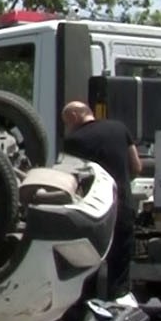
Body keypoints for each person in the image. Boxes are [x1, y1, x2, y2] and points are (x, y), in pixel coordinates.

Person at [60, 100, 142, 303]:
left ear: (73, 117)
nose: (67, 128)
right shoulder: (119, 128)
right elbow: (137, 167)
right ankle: (120, 311)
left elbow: (70, 181)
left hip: (95, 214)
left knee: (88, 272)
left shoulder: (74, 141)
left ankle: (87, 319)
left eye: (66, 123)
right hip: (123, 208)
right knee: (120, 274)